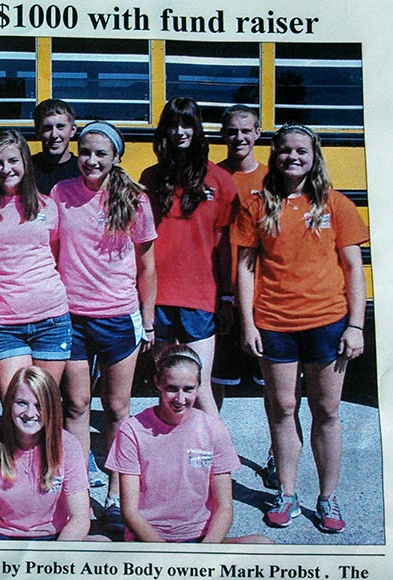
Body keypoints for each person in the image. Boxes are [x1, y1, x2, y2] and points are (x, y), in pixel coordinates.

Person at [232, 124, 368, 533]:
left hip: (327, 322)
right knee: (284, 409)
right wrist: (248, 323)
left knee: (326, 411)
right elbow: (245, 268)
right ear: (274, 156)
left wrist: (356, 325)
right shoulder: (257, 205)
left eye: (301, 151)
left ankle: (327, 498)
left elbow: (353, 268)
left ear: (314, 156)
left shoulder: (336, 204)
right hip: (274, 323)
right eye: (285, 150)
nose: (293, 157)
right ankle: (287, 493)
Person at [49, 121, 157, 531]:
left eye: (101, 154)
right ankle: (79, 494)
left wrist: (147, 320)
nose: (91, 161)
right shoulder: (61, 193)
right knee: (75, 406)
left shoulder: (134, 199)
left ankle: (115, 493)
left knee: (116, 408)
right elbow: (54, 248)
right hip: (72, 316)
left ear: (116, 157)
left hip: (118, 316)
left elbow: (147, 264)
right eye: (86, 152)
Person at [106, 346, 272, 544]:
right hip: (148, 539)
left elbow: (225, 507)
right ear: (157, 382)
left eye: (188, 389)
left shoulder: (213, 429)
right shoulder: (132, 430)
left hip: (199, 539)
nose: (180, 399)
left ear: (198, 386)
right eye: (171, 388)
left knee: (263, 545)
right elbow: (130, 511)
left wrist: (204, 551)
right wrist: (166, 552)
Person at [139, 97, 238, 417]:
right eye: (173, 125)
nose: (180, 132)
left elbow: (225, 243)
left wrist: (226, 296)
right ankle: (172, 452)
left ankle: (221, 461)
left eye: (187, 124)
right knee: (166, 385)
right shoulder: (151, 177)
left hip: (200, 297)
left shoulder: (220, 180)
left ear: (197, 129)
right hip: (159, 295)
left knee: (200, 386)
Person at [0, 129, 70, 398]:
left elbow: (54, 255)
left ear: (25, 162)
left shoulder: (47, 206)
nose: (6, 169)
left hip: (51, 318)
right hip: (4, 324)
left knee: (45, 403)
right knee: (15, 402)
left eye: (13, 161)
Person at [216, 104, 276, 487]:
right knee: (214, 382)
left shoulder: (274, 179)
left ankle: (276, 452)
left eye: (246, 130)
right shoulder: (214, 176)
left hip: (267, 295)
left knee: (277, 384)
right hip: (221, 292)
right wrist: (223, 294)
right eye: (231, 131)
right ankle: (214, 453)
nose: (239, 137)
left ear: (257, 134)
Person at [0, 366, 94, 541]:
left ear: (52, 407)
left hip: (52, 538)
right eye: (21, 403)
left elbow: (80, 518)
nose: (30, 413)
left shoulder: (68, 445)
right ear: (9, 403)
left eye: (39, 406)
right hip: (1, 537)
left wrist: (50, 561)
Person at [32, 99, 81, 195]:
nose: (54, 135)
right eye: (47, 128)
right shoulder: (27, 169)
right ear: (37, 131)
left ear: (73, 130)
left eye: (60, 127)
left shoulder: (83, 170)